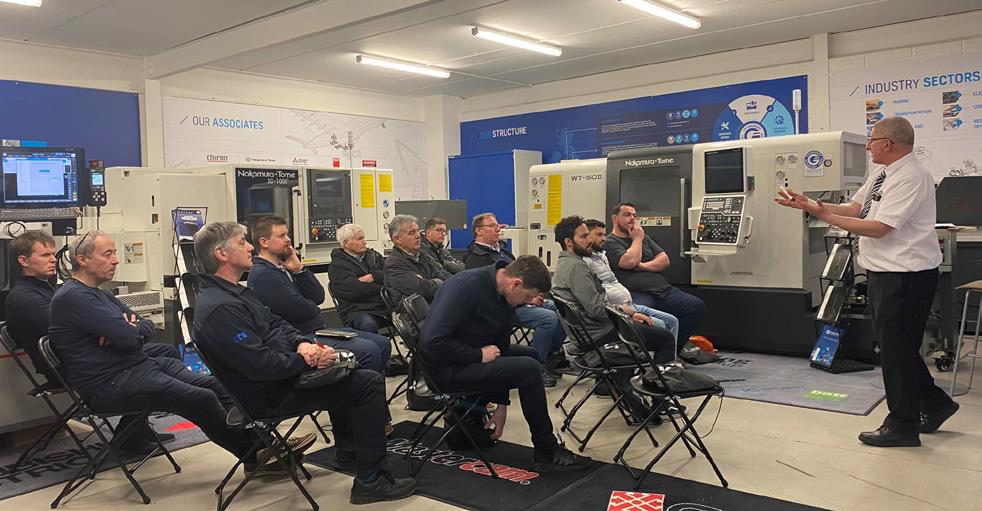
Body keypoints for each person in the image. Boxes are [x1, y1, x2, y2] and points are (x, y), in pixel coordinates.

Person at [192, 221, 416, 504]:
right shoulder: (220, 308)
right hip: (268, 394)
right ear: (221, 254)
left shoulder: (234, 292)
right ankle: (371, 480)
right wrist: (305, 361)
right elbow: (260, 365)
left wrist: (302, 344)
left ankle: (351, 452)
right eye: (242, 242)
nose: (249, 247)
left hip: (282, 373)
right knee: (366, 382)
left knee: (348, 366)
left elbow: (276, 322)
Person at [47, 231, 296, 475]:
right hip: (109, 384)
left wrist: (129, 328)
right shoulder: (73, 297)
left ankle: (263, 446)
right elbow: (128, 338)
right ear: (82, 259)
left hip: (137, 366)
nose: (116, 260)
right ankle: (256, 456)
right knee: (201, 399)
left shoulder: (100, 294)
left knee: (216, 385)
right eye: (108, 254)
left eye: (114, 253)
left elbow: (146, 328)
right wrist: (127, 330)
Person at [776, 116, 958, 447]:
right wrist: (812, 205)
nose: (868, 147)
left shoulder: (912, 177)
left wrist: (828, 217)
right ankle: (935, 404)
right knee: (898, 349)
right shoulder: (882, 174)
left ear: (888, 143)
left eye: (871, 140)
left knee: (896, 352)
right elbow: (856, 207)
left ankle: (902, 426)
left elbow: (879, 228)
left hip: (905, 276)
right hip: (884, 273)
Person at [419, 255, 592, 472]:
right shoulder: (465, 287)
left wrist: (502, 404)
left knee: (531, 356)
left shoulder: (504, 295)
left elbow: (500, 346)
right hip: (444, 369)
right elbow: (431, 342)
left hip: (469, 357)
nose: (528, 302)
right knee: (528, 370)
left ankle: (536, 444)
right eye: (527, 296)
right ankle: (546, 449)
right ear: (515, 283)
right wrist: (477, 354)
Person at [6, 232, 180, 384]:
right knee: (156, 356)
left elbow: (128, 327)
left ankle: (150, 408)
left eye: (53, 254)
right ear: (24, 261)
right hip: (72, 366)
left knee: (165, 350)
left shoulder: (52, 289)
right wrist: (116, 330)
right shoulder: (24, 298)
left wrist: (119, 330)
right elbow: (68, 331)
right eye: (45, 255)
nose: (53, 259)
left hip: (94, 354)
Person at [552, 216, 677, 420]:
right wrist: (626, 315)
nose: (589, 240)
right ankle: (661, 402)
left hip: (590, 333)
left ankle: (625, 388)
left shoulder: (565, 264)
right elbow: (596, 309)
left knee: (647, 329)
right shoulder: (577, 268)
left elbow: (595, 305)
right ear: (569, 242)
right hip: (602, 334)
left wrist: (627, 312)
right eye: (583, 236)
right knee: (665, 338)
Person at [247, 216, 390, 374]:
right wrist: (312, 307)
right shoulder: (264, 275)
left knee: (382, 343)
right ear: (264, 242)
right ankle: (360, 386)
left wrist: (300, 270)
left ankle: (367, 385)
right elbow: (304, 310)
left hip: (318, 330)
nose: (288, 240)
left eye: (287, 234)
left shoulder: (284, 267)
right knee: (370, 350)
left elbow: (318, 296)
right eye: (282, 236)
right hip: (301, 337)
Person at [462, 212, 568, 387]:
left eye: (498, 225)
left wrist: (532, 294)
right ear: (478, 231)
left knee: (560, 307)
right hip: (504, 307)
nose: (498, 229)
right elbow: (490, 294)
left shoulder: (503, 252)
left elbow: (521, 278)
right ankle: (538, 365)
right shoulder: (475, 259)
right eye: (493, 226)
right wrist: (526, 300)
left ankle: (551, 353)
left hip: (520, 299)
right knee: (548, 318)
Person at [605, 203, 705, 350]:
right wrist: (637, 239)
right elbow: (629, 261)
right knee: (642, 318)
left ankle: (674, 350)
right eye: (627, 215)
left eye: (634, 215)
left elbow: (664, 260)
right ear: (614, 219)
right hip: (637, 293)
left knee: (695, 306)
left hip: (662, 290)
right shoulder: (610, 242)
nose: (632, 218)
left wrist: (642, 266)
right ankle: (647, 353)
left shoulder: (645, 238)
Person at [583, 219, 680, 344]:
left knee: (673, 321)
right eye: (599, 235)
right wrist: (627, 312)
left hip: (629, 303)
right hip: (618, 310)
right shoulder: (585, 263)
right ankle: (656, 354)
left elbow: (664, 260)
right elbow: (598, 301)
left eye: (604, 234)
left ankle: (670, 355)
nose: (603, 239)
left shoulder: (601, 255)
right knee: (662, 326)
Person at [327, 223, 389, 334]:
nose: (365, 242)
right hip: (357, 310)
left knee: (413, 313)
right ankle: (374, 346)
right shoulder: (337, 266)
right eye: (359, 239)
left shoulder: (373, 256)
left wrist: (373, 277)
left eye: (363, 238)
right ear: (346, 243)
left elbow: (392, 273)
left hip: (384, 305)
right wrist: (383, 287)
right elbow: (355, 291)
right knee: (367, 324)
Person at [383, 214, 451, 304]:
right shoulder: (393, 264)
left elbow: (444, 279)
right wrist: (437, 282)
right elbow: (423, 289)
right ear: (397, 239)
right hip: (420, 311)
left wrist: (431, 282)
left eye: (417, 231)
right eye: (412, 233)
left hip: (437, 303)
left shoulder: (423, 256)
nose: (418, 236)